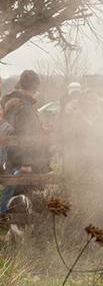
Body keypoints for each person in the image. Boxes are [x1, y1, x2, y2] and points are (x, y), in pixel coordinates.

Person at [0, 70, 47, 214]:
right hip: (23, 160)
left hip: (15, 158)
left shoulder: (12, 103)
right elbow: (22, 136)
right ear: (35, 87)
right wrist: (25, 162)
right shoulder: (24, 108)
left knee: (12, 192)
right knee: (17, 195)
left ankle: (5, 217)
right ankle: (4, 217)